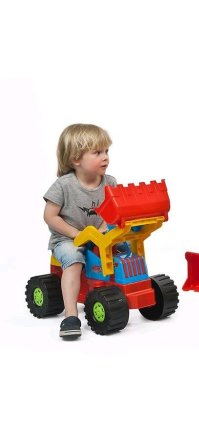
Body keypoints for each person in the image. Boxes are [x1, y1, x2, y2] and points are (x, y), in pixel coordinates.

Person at [43, 124, 116, 339]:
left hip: (98, 236)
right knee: (74, 260)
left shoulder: (110, 182)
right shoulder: (63, 185)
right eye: (97, 152)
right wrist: (75, 233)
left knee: (124, 251)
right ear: (76, 159)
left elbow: (114, 211)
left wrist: (104, 228)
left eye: (106, 151)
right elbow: (50, 216)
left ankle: (113, 294)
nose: (105, 157)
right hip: (67, 239)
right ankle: (71, 315)